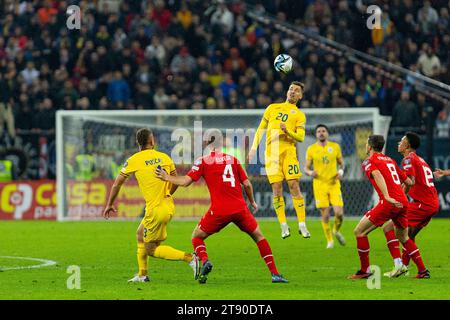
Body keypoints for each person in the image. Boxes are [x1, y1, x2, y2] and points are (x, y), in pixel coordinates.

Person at [156, 137, 288, 284]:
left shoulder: (203, 161)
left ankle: (205, 261)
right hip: (240, 209)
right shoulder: (233, 159)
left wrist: (166, 177)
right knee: (259, 237)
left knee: (196, 236)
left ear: (207, 145)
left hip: (219, 210)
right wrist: (252, 202)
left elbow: (186, 182)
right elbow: (247, 184)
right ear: (221, 145)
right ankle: (275, 274)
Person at [103, 128, 199, 283]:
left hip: (155, 210)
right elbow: (175, 180)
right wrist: (167, 193)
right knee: (140, 234)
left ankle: (190, 258)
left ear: (138, 143)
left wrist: (109, 204)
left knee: (151, 249)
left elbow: (116, 184)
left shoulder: (134, 160)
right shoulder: (164, 157)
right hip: (167, 206)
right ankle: (142, 275)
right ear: (152, 141)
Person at [350, 135, 429, 279]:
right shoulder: (390, 160)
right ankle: (422, 270)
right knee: (403, 236)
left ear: (370, 146)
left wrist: (387, 195)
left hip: (389, 203)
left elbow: (377, 174)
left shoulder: (369, 161)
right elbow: (410, 182)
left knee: (359, 231)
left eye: (367, 143)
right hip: (403, 202)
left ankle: (364, 270)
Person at [247, 81, 310, 239]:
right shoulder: (272, 108)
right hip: (271, 153)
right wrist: (254, 148)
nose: (292, 92)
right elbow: (261, 129)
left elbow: (301, 137)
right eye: (291, 89)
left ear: (300, 96)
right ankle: (283, 226)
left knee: (294, 185)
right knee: (276, 189)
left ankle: (302, 225)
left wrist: (287, 131)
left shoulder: (299, 115)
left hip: (289, 152)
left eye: (296, 91)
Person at [383, 132, 439, 277]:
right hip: (431, 204)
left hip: (423, 204)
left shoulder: (408, 159)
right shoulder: (419, 159)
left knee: (389, 228)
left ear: (407, 145)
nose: (398, 143)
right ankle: (410, 268)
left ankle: (401, 266)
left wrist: (398, 200)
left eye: (401, 140)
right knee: (408, 235)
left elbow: (409, 182)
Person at [305, 124, 346, 249]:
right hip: (319, 184)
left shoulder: (335, 147)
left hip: (333, 184)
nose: (321, 133)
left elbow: (342, 164)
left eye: (323, 131)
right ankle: (330, 240)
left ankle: (336, 230)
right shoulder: (311, 149)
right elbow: (306, 168)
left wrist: (341, 172)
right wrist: (311, 172)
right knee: (326, 214)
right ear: (316, 134)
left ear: (327, 133)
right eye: (318, 131)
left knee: (339, 213)